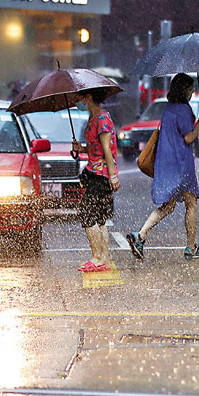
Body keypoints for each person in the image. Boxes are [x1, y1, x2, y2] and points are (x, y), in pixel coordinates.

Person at [126, 73, 199, 260]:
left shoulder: (168, 108)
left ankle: (140, 235)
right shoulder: (184, 109)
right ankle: (190, 247)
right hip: (181, 163)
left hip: (166, 162)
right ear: (184, 89)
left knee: (169, 205)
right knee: (192, 203)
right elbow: (188, 137)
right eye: (190, 89)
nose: (192, 92)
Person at [72, 88, 121, 272]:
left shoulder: (102, 119)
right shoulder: (93, 119)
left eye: (80, 96)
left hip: (101, 175)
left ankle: (97, 257)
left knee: (87, 213)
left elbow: (107, 149)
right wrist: (81, 149)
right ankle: (104, 258)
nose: (78, 100)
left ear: (89, 97)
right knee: (99, 218)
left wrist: (112, 176)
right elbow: (96, 148)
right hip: (93, 173)